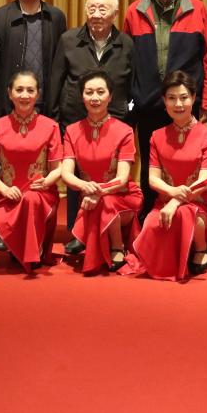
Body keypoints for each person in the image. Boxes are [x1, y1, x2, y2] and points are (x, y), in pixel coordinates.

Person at [122, 0, 207, 220]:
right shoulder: (135, 10)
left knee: (188, 162)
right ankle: (150, 218)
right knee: (151, 163)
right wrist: (132, 99)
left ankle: (189, 217)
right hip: (148, 103)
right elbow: (127, 60)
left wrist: (204, 100)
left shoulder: (197, 8)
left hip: (185, 101)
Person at [50, 0, 134, 247]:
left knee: (108, 174)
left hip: (114, 120)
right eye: (92, 9)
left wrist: (129, 115)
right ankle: (78, 232)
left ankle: (108, 228)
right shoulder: (68, 40)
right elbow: (56, 79)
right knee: (77, 174)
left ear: (115, 14)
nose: (96, 15)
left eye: (103, 9)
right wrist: (55, 117)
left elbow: (133, 85)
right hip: (75, 119)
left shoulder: (126, 43)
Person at [126, 71, 207, 281]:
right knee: (151, 225)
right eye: (172, 98)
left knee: (185, 213)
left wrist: (176, 201)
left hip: (200, 202)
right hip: (165, 200)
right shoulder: (157, 136)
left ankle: (200, 246)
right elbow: (152, 179)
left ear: (193, 98)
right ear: (164, 101)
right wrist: (172, 193)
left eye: (184, 97)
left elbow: (204, 181)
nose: (178, 104)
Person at [0, 70, 64, 271]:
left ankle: (33, 249)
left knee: (31, 199)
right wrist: (4, 189)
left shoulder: (51, 126)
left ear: (38, 94)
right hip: (8, 195)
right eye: (19, 90)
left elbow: (58, 169)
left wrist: (46, 182)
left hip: (41, 194)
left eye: (30, 90)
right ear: (9, 93)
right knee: (25, 200)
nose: (24, 95)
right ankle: (22, 246)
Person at [60, 71, 143, 273]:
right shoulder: (72, 131)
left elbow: (122, 179)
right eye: (89, 92)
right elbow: (66, 174)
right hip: (90, 196)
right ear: (82, 96)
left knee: (106, 202)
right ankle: (99, 241)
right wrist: (85, 186)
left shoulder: (124, 131)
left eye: (100, 92)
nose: (95, 98)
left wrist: (98, 193)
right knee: (101, 202)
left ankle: (115, 245)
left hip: (123, 196)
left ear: (110, 96)